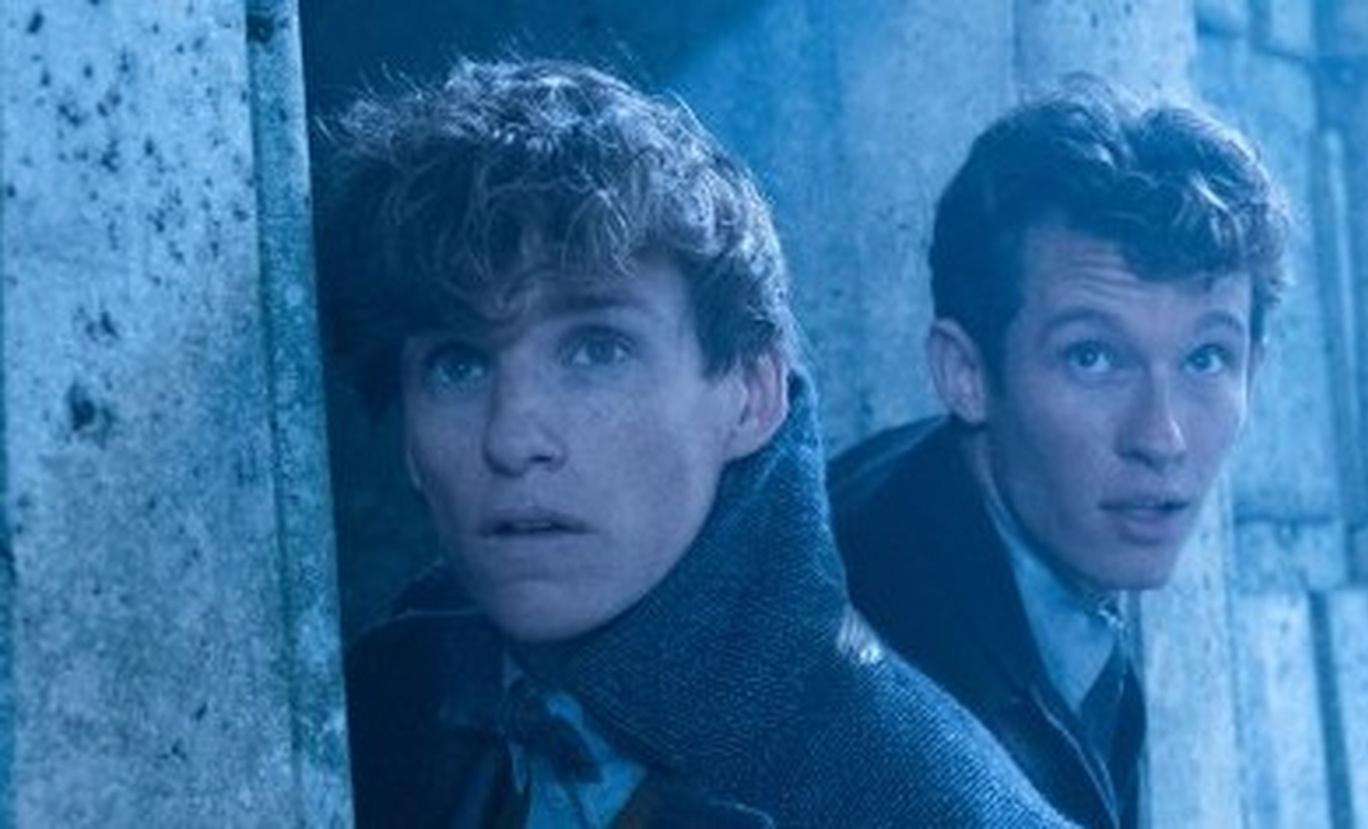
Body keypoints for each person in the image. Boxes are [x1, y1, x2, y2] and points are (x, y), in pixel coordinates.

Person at [317, 59, 1067, 828]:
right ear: (407, 437)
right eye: (458, 363)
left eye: (597, 349)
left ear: (752, 394)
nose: (512, 437)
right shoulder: (370, 709)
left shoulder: (926, 800)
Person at [829, 82, 1290, 829]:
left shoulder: (1030, 534)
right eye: (1092, 356)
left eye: (1206, 358)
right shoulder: (880, 686)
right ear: (966, 373)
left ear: (1253, 370)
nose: (1162, 437)